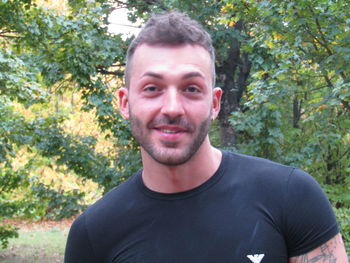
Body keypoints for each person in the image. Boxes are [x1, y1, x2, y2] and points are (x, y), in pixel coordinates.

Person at [65, 11, 348, 263]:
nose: (173, 108)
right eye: (152, 88)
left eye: (191, 89)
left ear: (214, 104)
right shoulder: (94, 233)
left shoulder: (291, 196)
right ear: (125, 103)